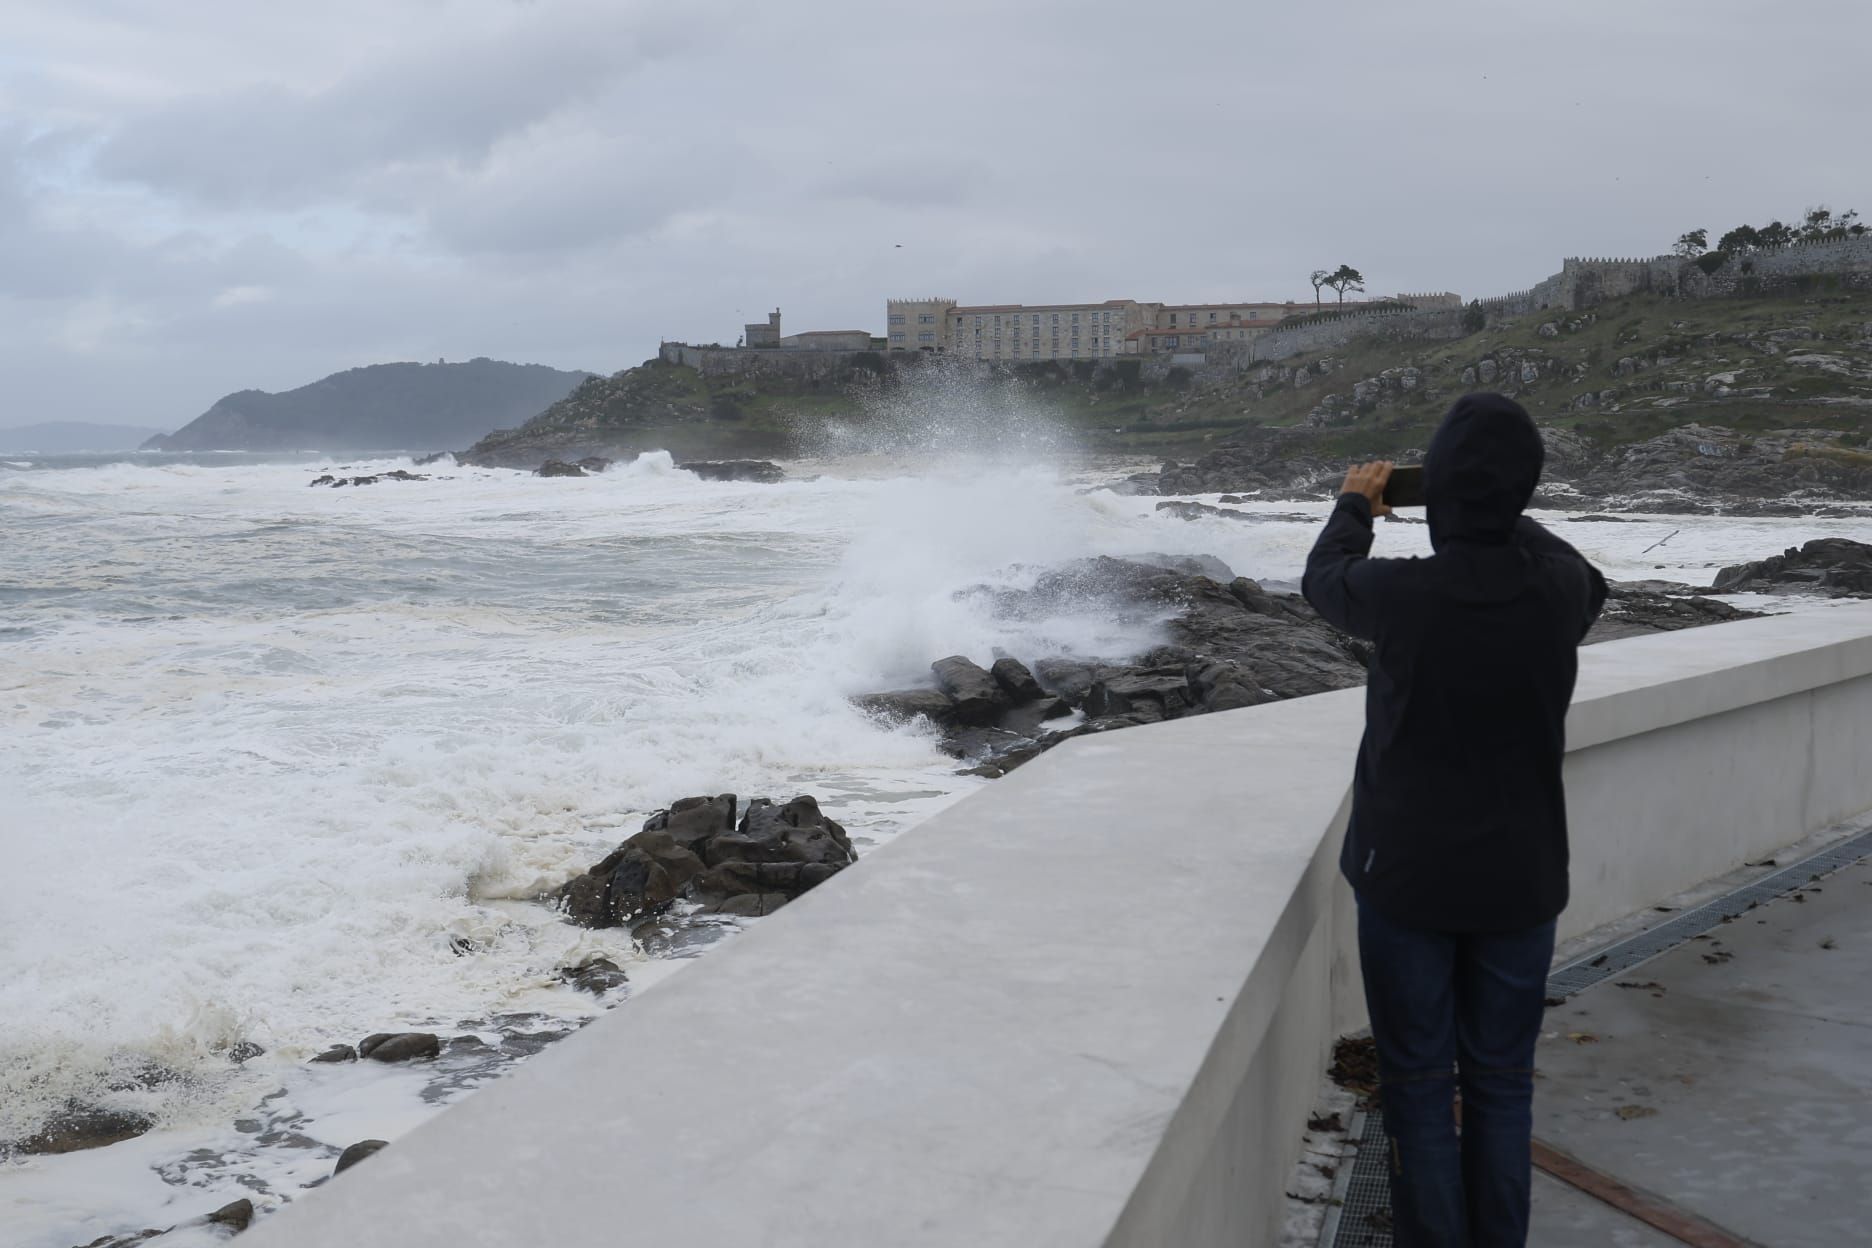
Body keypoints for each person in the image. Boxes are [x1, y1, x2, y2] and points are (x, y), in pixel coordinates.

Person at [1302, 393, 1608, 1247]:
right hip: (1522, 879)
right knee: (1504, 1083)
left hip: (1408, 881)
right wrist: (1491, 503)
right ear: (1521, 493)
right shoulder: (1560, 590)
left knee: (1419, 1085)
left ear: (1442, 494)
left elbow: (1322, 581)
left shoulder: (1403, 593)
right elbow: (1585, 573)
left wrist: (1357, 504)